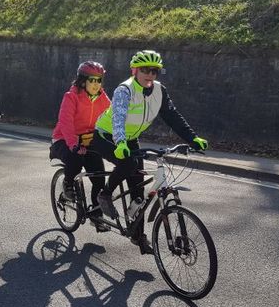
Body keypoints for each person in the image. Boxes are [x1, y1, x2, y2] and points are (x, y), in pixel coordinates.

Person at [93, 50, 209, 254]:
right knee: (127, 164)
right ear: (134, 70)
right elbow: (117, 119)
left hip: (130, 139)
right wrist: (120, 142)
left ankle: (138, 237)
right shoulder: (125, 90)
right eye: (145, 70)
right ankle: (105, 194)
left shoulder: (159, 91)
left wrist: (192, 138)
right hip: (106, 135)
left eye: (155, 71)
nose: (150, 75)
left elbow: (173, 116)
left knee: (138, 193)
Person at [50, 61, 111, 232]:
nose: (96, 84)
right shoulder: (71, 96)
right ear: (82, 81)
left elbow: (112, 119)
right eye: (92, 80)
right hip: (64, 138)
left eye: (99, 80)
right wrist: (73, 144)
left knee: (99, 178)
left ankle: (96, 216)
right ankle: (68, 184)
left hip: (88, 140)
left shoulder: (103, 98)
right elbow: (65, 122)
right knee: (75, 159)